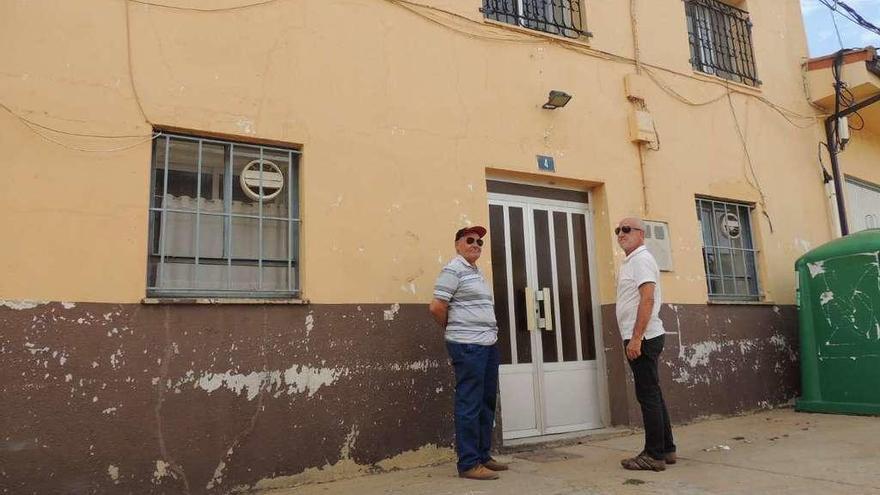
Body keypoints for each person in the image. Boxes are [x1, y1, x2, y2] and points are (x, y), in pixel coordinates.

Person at [429, 226, 508, 480]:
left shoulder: (476, 271)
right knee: (469, 403)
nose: (476, 244)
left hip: (487, 345)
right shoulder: (453, 269)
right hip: (468, 345)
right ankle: (468, 463)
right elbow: (437, 306)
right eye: (470, 240)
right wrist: (454, 329)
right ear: (457, 245)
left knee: (486, 402)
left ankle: (483, 456)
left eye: (480, 242)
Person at [614, 217, 676, 472]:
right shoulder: (632, 261)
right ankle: (667, 449)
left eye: (626, 229)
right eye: (618, 230)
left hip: (644, 337)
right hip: (643, 335)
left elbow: (647, 299)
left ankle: (653, 454)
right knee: (653, 393)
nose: (621, 234)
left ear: (641, 234)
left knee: (647, 395)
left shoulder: (641, 259)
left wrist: (636, 337)